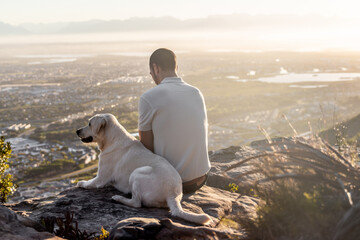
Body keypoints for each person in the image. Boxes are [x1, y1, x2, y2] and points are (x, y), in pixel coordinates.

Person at [138, 48, 211, 194]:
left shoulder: (149, 97)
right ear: (176, 67)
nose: (152, 77)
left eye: (151, 74)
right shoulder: (196, 92)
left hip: (171, 184)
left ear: (155, 68)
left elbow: (146, 150)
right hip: (201, 178)